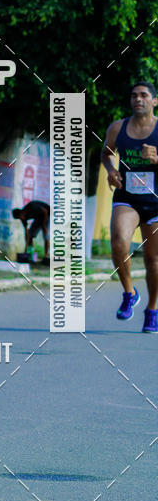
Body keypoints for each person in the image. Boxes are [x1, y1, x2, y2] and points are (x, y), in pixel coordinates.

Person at [101, 80, 158, 332]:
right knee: (118, 243)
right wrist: (111, 170)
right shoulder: (118, 128)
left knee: (153, 260)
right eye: (134, 95)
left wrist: (157, 159)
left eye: (144, 95)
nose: (138, 99)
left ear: (154, 101)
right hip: (128, 197)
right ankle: (129, 292)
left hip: (156, 201)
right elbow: (106, 153)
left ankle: (152, 309)